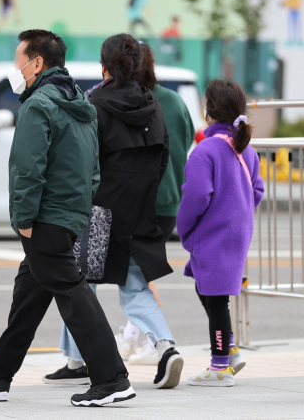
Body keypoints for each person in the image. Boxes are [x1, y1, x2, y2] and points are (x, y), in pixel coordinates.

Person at [0, 30, 134, 407]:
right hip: (68, 216)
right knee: (30, 294)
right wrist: (77, 210)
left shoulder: (38, 105)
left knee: (72, 292)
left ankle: (112, 377)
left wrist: (24, 219)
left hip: (43, 219)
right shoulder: (82, 105)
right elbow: (94, 170)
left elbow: (28, 169)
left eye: (18, 60)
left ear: (36, 63)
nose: (16, 68)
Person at [43, 34, 183, 390]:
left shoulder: (93, 103)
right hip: (140, 206)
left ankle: (79, 360)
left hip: (99, 207)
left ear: (104, 65)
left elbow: (82, 160)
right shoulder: (153, 103)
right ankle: (166, 348)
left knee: (76, 281)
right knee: (134, 287)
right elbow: (162, 156)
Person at [178, 79, 264, 387]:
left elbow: (196, 196)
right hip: (235, 233)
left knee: (215, 301)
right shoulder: (244, 148)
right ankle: (229, 351)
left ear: (209, 111)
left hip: (212, 234)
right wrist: (238, 209)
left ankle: (219, 367)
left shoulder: (207, 149)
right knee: (207, 288)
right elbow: (257, 190)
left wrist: (184, 227)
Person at [114, 42, 196, 365]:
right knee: (140, 272)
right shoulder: (175, 101)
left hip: (140, 202)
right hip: (169, 203)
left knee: (136, 277)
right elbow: (187, 138)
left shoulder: (132, 103)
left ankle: (157, 342)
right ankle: (137, 335)